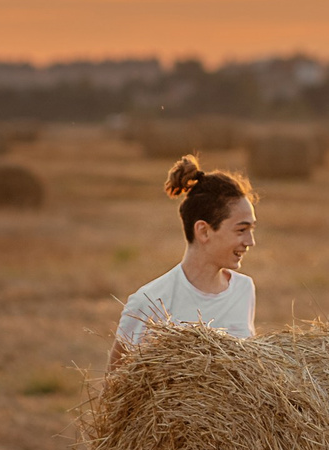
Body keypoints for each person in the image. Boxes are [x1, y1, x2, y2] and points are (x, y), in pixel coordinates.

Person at [109, 156, 256, 372]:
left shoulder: (244, 289)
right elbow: (114, 390)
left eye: (252, 229)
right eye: (241, 230)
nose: (250, 241)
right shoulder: (150, 302)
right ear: (204, 231)